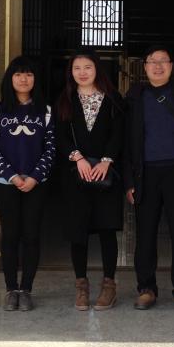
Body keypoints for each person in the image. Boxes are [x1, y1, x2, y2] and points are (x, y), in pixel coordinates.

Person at [124, 45, 174, 313]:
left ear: (172, 66)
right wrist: (129, 181)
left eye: (163, 61)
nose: (157, 66)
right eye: (152, 61)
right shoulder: (134, 96)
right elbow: (127, 141)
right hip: (145, 173)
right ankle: (146, 288)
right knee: (145, 234)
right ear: (144, 67)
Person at [0, 56, 55, 312]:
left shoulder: (46, 111)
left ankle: (26, 289)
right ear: (10, 79)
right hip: (6, 182)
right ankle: (11, 288)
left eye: (29, 74)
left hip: (37, 183)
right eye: (18, 74)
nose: (23, 79)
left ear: (35, 79)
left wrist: (34, 176)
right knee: (10, 235)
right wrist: (12, 176)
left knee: (31, 235)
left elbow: (51, 148)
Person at [55, 51, 125, 311]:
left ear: (97, 69)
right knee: (78, 231)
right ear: (71, 72)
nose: (82, 72)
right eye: (77, 68)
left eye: (88, 67)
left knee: (107, 229)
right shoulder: (65, 99)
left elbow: (119, 133)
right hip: (77, 174)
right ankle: (81, 286)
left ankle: (109, 286)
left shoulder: (113, 98)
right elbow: (59, 135)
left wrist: (106, 161)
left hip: (105, 174)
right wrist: (78, 158)